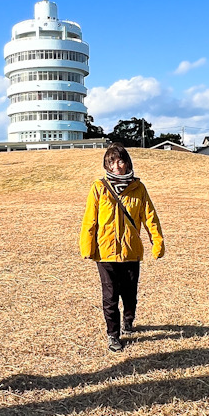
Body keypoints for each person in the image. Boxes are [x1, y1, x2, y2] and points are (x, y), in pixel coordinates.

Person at [80, 144, 165, 352]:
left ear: (127, 163)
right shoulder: (99, 187)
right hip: (105, 252)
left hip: (131, 251)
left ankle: (128, 320)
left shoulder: (139, 188)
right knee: (110, 295)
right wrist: (87, 246)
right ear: (106, 165)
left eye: (120, 161)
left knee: (129, 293)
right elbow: (89, 220)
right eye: (111, 162)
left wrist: (157, 242)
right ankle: (113, 334)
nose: (116, 166)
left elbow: (150, 218)